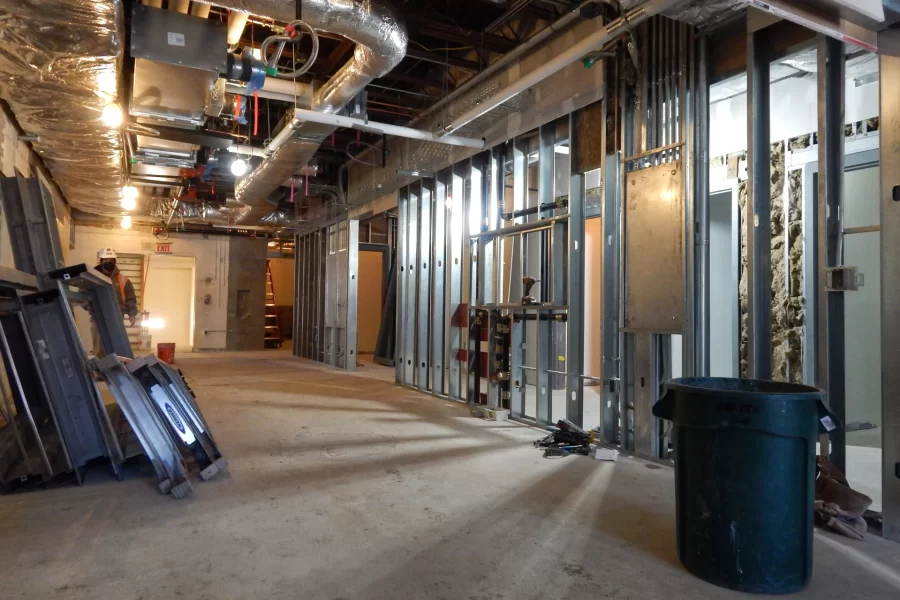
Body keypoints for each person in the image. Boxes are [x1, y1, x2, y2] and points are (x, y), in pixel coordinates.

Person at [91, 248, 138, 357]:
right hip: (98, 317)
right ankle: (100, 372)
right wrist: (90, 307)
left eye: (111, 260)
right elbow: (84, 294)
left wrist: (132, 314)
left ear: (115, 262)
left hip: (117, 318)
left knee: (117, 346)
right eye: (106, 260)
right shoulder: (92, 276)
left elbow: (130, 298)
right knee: (99, 348)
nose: (108, 262)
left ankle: (117, 371)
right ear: (101, 261)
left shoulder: (123, 280)